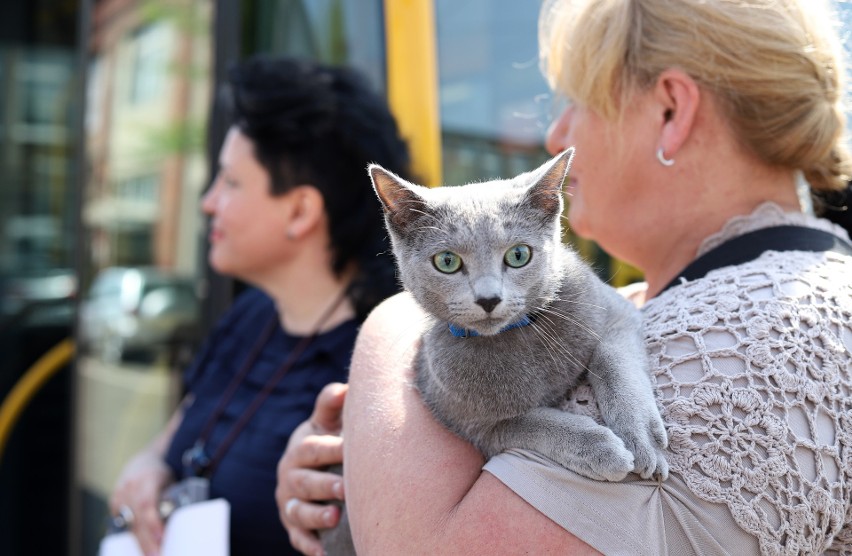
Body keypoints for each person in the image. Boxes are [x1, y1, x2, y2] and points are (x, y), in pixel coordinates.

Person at [276, 0, 852, 554]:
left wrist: (390, 330)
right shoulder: (667, 302)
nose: (556, 136)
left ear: (671, 110)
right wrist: (349, 470)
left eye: (575, 101)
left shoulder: (762, 335)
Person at [108, 55, 410, 556]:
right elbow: (176, 435)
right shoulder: (250, 316)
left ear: (300, 212)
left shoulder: (386, 362)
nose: (208, 203)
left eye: (229, 182)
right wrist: (146, 466)